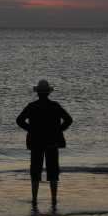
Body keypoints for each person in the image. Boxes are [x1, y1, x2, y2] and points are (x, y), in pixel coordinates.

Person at [16, 79, 73, 207]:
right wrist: (58, 130)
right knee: (53, 172)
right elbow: (69, 120)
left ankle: (34, 200)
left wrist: (30, 129)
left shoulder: (32, 106)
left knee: (35, 171)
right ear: (48, 93)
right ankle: (53, 199)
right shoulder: (55, 106)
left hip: (36, 142)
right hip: (52, 142)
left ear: (38, 93)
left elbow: (19, 120)